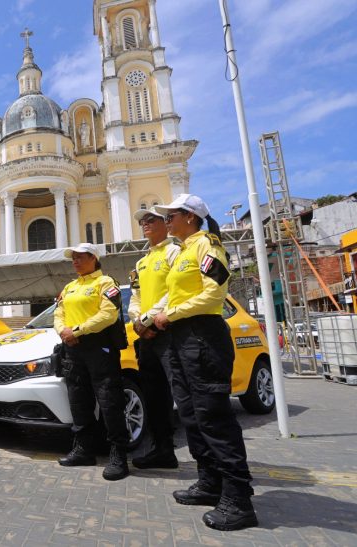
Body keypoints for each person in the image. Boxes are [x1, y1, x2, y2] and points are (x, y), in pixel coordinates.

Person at [152, 194, 257, 531]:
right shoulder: (182, 251)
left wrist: (170, 315)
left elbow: (214, 293)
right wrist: (153, 316)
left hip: (203, 336)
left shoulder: (208, 246)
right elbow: (173, 295)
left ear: (190, 217)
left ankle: (238, 499)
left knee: (213, 416)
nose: (166, 221)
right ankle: (210, 482)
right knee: (191, 414)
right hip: (181, 338)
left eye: (171, 215)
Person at [55, 242, 130, 481]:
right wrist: (63, 331)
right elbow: (59, 313)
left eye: (80, 257)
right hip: (73, 349)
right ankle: (83, 450)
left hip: (100, 348)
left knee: (110, 401)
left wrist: (77, 331)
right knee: (78, 401)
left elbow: (108, 314)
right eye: (73, 258)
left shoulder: (106, 283)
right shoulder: (70, 287)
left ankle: (118, 455)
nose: (75, 261)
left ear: (94, 259)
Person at [127, 209, 182, 469]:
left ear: (165, 223)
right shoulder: (142, 262)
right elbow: (135, 298)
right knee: (154, 396)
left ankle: (206, 464)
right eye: (142, 222)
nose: (145, 224)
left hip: (169, 330)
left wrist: (146, 320)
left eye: (151, 220)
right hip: (147, 335)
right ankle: (162, 450)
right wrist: (138, 321)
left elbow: (175, 291)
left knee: (182, 394)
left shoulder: (175, 252)